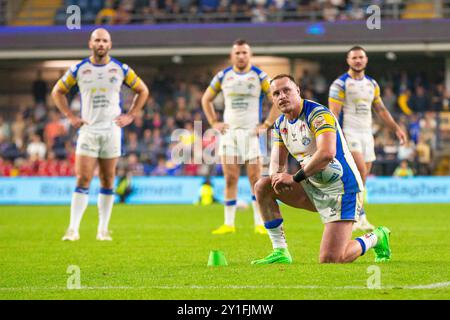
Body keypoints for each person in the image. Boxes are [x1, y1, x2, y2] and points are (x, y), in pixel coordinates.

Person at [251, 74, 391, 265]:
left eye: (286, 90)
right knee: (263, 186)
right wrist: (276, 176)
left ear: (297, 91)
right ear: (273, 99)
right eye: (276, 93)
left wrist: (294, 178)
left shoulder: (318, 114)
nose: (282, 96)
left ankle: (376, 237)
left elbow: (327, 153)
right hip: (312, 187)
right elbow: (277, 162)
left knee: (332, 259)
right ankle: (280, 251)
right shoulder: (280, 124)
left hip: (342, 191)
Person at [51, 28, 149, 241]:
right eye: (97, 40)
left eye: (105, 41)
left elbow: (143, 90)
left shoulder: (120, 69)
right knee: (83, 178)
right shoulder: (79, 69)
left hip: (112, 131)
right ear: (90, 43)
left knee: (107, 179)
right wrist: (70, 116)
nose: (101, 44)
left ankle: (102, 230)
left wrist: (131, 115)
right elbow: (57, 91)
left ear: (110, 44)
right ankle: (73, 229)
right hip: (89, 131)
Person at [201, 39, 280, 235]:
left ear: (250, 55)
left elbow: (276, 99)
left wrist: (267, 125)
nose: (241, 56)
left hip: (252, 133)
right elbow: (206, 99)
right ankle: (229, 224)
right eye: (238, 53)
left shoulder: (259, 76)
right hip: (230, 133)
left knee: (256, 180)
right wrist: (213, 122)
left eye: (244, 52)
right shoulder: (223, 76)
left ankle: (259, 223)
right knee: (230, 178)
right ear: (232, 56)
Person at [328, 46, 407, 232]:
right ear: (348, 60)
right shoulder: (340, 84)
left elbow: (380, 109)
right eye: (354, 57)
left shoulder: (372, 84)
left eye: (361, 57)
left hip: (367, 134)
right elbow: (333, 113)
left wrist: (396, 128)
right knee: (360, 172)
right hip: (349, 132)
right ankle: (358, 216)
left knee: (362, 180)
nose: (358, 60)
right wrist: (334, 136)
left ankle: (355, 214)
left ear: (366, 60)